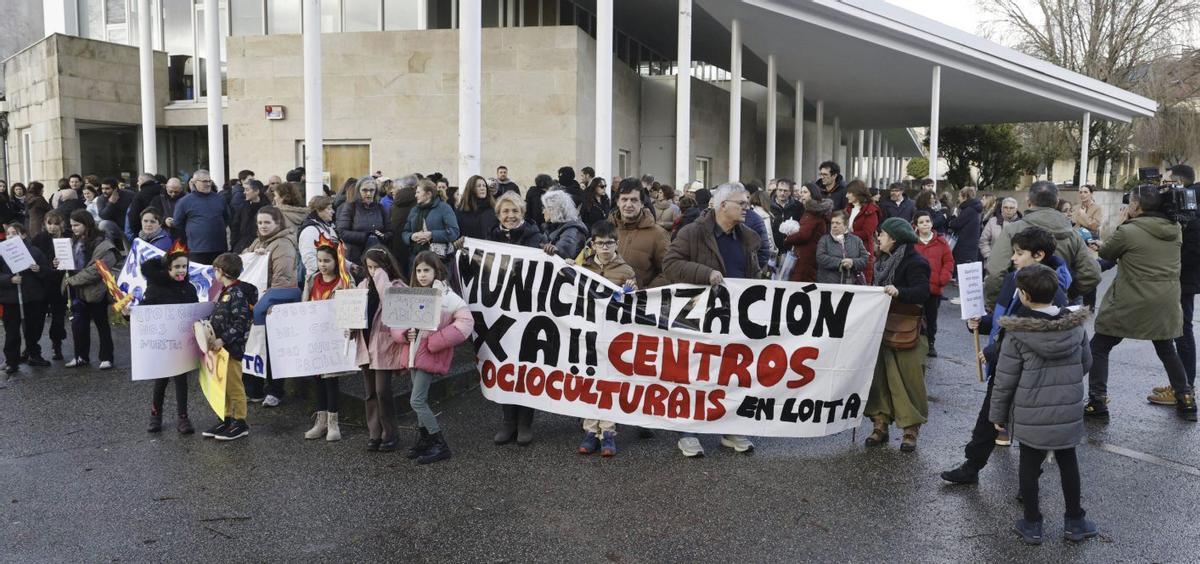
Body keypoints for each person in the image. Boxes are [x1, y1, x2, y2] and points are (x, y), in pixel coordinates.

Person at [940, 227, 1072, 484]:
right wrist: (983, 323)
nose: (1013, 258)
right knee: (989, 416)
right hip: (1004, 368)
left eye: (1019, 253)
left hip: (1030, 374)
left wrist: (992, 351)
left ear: (1039, 255)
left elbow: (1031, 336)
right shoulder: (1014, 279)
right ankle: (972, 467)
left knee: (1029, 430)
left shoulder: (1051, 290)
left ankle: (1029, 482)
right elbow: (1005, 321)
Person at [989, 265, 1099, 545]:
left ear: (1024, 295)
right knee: (1068, 462)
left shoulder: (1016, 334)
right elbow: (1086, 363)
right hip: (1067, 409)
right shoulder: (1075, 327)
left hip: (1030, 410)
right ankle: (1075, 520)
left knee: (1028, 465)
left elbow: (1005, 380)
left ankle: (1032, 522)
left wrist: (998, 414)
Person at [662, 183, 759, 457]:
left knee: (730, 372)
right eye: (741, 203)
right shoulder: (693, 232)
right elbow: (670, 265)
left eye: (747, 203)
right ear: (722, 205)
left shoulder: (747, 236)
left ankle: (730, 429)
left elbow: (754, 269)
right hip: (696, 314)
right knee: (694, 372)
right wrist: (705, 273)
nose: (746, 207)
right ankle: (688, 431)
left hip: (734, 315)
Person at [1085, 185, 1196, 421]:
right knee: (1166, 349)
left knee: (1100, 346)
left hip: (1130, 300)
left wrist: (1122, 224)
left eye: (1131, 203)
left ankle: (1097, 402)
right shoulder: (1175, 228)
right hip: (1165, 301)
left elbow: (1108, 253)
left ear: (1136, 205)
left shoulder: (1129, 230)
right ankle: (1186, 399)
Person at [389, 251, 473, 464]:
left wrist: (436, 341)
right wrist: (404, 333)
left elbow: (466, 323)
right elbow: (398, 322)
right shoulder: (413, 293)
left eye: (426, 270)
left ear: (436, 270)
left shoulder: (447, 296)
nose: (422, 274)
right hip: (413, 353)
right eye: (418, 270)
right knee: (420, 400)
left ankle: (439, 443)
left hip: (429, 354)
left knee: (416, 400)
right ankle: (425, 440)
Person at [865, 217, 931, 452]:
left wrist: (900, 291)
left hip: (906, 328)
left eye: (881, 234)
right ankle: (880, 424)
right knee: (879, 378)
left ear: (893, 238)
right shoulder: (882, 261)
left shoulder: (915, 262)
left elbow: (922, 292)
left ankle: (910, 429)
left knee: (907, 379)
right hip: (881, 326)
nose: (878, 238)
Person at [489, 192, 547, 445]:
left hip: (527, 312)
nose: (510, 216)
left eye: (515, 211)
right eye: (505, 212)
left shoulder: (535, 237)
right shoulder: (490, 238)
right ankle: (508, 420)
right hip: (501, 312)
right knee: (504, 364)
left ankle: (525, 422)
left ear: (522, 212)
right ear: (498, 215)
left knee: (525, 364)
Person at [985, 181, 1100, 305]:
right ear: (1056, 202)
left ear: (1028, 201)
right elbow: (1092, 273)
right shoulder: (1072, 234)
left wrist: (997, 305)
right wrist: (1065, 293)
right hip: (1058, 309)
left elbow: (995, 273)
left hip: (1020, 306)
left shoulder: (1012, 230)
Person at [576, 221, 636, 456]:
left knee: (609, 382)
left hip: (612, 335)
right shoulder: (584, 267)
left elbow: (634, 306)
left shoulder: (625, 271)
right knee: (589, 381)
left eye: (609, 243)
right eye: (600, 243)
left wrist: (631, 290)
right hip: (588, 331)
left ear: (616, 244)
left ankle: (608, 431)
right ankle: (590, 430)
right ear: (592, 244)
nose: (604, 247)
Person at [132, 241, 198, 434]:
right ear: (168, 268)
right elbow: (145, 310)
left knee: (181, 380)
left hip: (181, 343)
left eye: (184, 267)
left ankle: (183, 417)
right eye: (177, 267)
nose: (181, 270)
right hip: (162, 343)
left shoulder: (190, 288)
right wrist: (132, 314)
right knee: (161, 380)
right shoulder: (156, 288)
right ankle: (155, 414)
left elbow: (194, 311)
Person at [353, 246, 407, 452]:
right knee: (370, 392)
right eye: (370, 267)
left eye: (377, 267)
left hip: (384, 345)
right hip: (366, 342)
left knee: (382, 390)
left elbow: (392, 303)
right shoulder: (363, 285)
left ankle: (391, 433)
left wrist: (382, 278)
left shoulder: (396, 285)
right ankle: (374, 433)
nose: (373, 271)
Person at [1154, 165, 1200, 406]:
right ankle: (1179, 382)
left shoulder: (1192, 211)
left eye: (1167, 181)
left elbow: (1192, 250)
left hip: (1184, 279)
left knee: (1182, 331)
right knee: (1179, 330)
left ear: (1179, 183)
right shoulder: (1183, 206)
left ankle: (1185, 388)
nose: (1163, 185)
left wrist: (1172, 266)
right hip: (1182, 278)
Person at [301, 235, 354, 442]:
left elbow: (352, 309)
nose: (322, 265)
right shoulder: (311, 279)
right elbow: (303, 306)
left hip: (334, 338)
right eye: (319, 260)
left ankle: (334, 424)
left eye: (327, 261)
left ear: (336, 261)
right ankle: (320, 422)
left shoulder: (345, 282)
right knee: (318, 382)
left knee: (331, 381)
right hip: (315, 338)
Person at [246, 206, 301, 407]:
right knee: (257, 344)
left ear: (278, 223)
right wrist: (254, 253)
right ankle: (255, 389)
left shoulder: (283, 245)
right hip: (260, 299)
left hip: (275, 300)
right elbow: (244, 261)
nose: (263, 226)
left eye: (267, 222)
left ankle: (276, 390)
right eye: (260, 223)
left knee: (271, 347)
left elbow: (283, 278)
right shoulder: (259, 242)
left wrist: (271, 302)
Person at [202, 253, 257, 442]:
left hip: (231, 350)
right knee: (221, 385)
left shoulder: (237, 293)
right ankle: (225, 418)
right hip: (220, 350)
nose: (214, 273)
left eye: (215, 270)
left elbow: (240, 323)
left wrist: (222, 340)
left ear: (220, 271)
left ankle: (240, 421)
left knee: (234, 386)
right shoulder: (226, 292)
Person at [60, 210, 119, 370]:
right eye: (72, 225)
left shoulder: (103, 243)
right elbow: (68, 266)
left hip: (96, 291)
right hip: (77, 292)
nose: (74, 229)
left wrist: (72, 281)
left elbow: (98, 269)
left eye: (77, 225)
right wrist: (58, 263)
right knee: (79, 326)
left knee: (102, 325)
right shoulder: (73, 242)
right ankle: (80, 356)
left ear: (87, 224)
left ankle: (106, 357)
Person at [0, 223, 52, 374]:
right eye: (8, 234)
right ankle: (11, 360)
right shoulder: (2, 252)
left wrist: (39, 269)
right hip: (11, 298)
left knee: (33, 329)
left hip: (32, 297)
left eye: (14, 233)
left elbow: (47, 270)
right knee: (12, 331)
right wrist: (10, 279)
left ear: (23, 235)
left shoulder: (34, 252)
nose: (10, 236)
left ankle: (33, 354)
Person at [610, 179, 669, 289]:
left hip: (639, 303)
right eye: (624, 199)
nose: (628, 204)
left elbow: (668, 272)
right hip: (605, 302)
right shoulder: (606, 229)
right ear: (618, 202)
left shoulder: (658, 235)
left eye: (634, 200)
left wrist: (644, 293)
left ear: (642, 203)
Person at [913, 211, 954, 358]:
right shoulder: (912, 243)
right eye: (921, 222)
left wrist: (942, 279)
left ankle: (931, 343)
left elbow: (948, 262)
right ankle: (914, 340)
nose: (925, 224)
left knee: (931, 318)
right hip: (917, 288)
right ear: (916, 226)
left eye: (927, 221)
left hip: (934, 289)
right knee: (915, 316)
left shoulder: (941, 242)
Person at [30, 211, 70, 360]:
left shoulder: (68, 238)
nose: (52, 227)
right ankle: (31, 347)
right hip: (42, 283)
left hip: (59, 284)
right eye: (49, 223)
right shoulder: (39, 239)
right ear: (45, 224)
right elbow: (33, 258)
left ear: (62, 224)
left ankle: (57, 345)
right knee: (37, 318)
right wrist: (48, 265)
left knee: (58, 317)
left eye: (56, 223)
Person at [172, 170, 229, 265]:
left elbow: (226, 218)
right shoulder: (184, 202)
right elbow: (178, 223)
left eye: (209, 181)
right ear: (194, 182)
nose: (207, 184)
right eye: (204, 181)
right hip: (197, 250)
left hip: (219, 249)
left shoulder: (219, 199)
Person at [336, 176, 391, 265]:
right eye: (365, 190)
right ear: (358, 191)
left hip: (376, 257)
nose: (368, 193)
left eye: (372, 190)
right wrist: (366, 236)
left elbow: (390, 231)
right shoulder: (350, 207)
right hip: (355, 257)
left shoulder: (381, 208)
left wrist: (383, 236)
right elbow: (342, 232)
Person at [783, 183, 832, 282]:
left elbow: (804, 235)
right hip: (809, 256)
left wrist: (788, 238)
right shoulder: (813, 212)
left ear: (813, 195)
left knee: (802, 286)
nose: (802, 194)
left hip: (805, 258)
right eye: (801, 192)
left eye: (805, 192)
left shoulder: (812, 213)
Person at [403, 179, 460, 262]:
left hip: (438, 260)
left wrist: (432, 235)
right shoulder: (414, 210)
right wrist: (411, 236)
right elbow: (405, 232)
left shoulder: (444, 208)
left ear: (428, 194)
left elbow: (454, 232)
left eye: (418, 192)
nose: (415, 195)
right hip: (416, 258)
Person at [816, 211, 868, 284]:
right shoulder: (824, 240)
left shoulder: (856, 240)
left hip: (851, 285)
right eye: (832, 223)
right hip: (829, 284)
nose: (834, 226)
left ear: (846, 225)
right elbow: (820, 258)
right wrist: (840, 263)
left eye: (838, 223)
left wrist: (852, 262)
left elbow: (865, 259)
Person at [845, 181, 881, 284]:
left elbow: (867, 233)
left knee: (862, 283)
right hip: (846, 250)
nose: (846, 195)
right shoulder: (848, 208)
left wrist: (846, 235)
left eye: (849, 192)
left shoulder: (871, 210)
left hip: (863, 251)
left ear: (857, 193)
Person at [297, 195, 338, 282]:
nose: (333, 212)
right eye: (329, 209)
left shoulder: (327, 228)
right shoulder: (309, 230)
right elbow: (309, 259)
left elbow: (336, 254)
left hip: (330, 277)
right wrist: (324, 274)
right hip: (318, 280)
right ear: (319, 210)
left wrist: (350, 265)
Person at [540, 190, 589, 259]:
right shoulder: (553, 226)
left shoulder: (572, 230)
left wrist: (554, 249)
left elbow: (564, 252)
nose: (543, 211)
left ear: (554, 210)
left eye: (545, 208)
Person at [454, 175, 497, 244]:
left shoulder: (493, 209)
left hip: (488, 251)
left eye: (484, 185)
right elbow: (457, 234)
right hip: (468, 251)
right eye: (479, 186)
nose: (483, 188)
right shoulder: (461, 211)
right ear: (471, 189)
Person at [948, 187, 983, 267]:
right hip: (970, 247)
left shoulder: (969, 210)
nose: (958, 198)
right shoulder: (974, 209)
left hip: (964, 248)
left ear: (965, 197)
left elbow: (955, 224)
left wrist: (953, 217)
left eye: (959, 196)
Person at [230, 179, 268, 253]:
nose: (244, 193)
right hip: (241, 247)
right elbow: (235, 226)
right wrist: (234, 244)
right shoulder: (243, 206)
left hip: (260, 248)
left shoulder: (267, 209)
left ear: (256, 191)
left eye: (247, 190)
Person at [979, 197, 1021, 262]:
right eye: (1006, 207)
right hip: (994, 262)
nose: (1008, 210)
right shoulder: (992, 222)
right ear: (1001, 209)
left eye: (1011, 208)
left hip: (1016, 263)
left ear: (1015, 210)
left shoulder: (1021, 224)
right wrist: (988, 256)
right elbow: (983, 241)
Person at [126, 173, 163, 240]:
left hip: (144, 232)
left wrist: (137, 233)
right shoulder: (163, 191)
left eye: (139, 180)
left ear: (143, 180)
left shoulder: (139, 195)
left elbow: (133, 216)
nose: (137, 183)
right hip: (162, 229)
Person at [769, 178, 798, 253]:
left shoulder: (798, 206)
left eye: (785, 191)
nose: (782, 193)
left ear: (790, 192)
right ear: (776, 190)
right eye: (780, 190)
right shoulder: (768, 205)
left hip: (791, 250)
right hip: (773, 250)